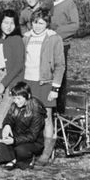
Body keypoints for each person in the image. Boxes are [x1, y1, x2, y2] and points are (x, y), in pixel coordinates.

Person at [23, 9, 65, 165]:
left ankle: (46, 154)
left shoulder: (54, 38)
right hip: (28, 81)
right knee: (28, 118)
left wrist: (55, 88)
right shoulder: (26, 38)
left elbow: (60, 65)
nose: (38, 26)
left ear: (47, 23)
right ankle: (30, 151)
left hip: (45, 82)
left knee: (46, 118)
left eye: (41, 23)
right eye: (35, 22)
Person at [44, 0, 79, 114]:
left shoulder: (69, 4)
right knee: (49, 75)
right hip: (49, 44)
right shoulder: (50, 4)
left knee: (60, 78)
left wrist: (56, 34)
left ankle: (59, 111)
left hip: (62, 45)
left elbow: (75, 25)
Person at [0, 9, 25, 129]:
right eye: (5, 23)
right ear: (0, 23)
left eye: (12, 23)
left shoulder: (17, 39)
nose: (8, 26)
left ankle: (3, 141)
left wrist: (3, 85)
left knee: (3, 112)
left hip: (11, 80)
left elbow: (18, 65)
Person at [0, 81, 46, 170]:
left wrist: (14, 141)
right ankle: (11, 159)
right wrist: (7, 125)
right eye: (14, 98)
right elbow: (8, 118)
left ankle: (28, 159)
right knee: (1, 132)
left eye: (19, 98)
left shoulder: (36, 110)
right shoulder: (14, 105)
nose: (16, 101)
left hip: (33, 141)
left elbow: (32, 136)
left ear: (28, 96)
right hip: (18, 134)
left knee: (20, 149)